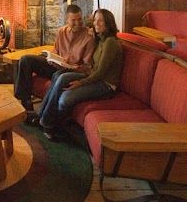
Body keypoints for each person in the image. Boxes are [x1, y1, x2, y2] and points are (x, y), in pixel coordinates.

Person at [35, 9, 123, 140]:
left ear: (108, 23)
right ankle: (43, 118)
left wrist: (80, 83)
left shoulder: (110, 42)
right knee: (61, 76)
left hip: (106, 85)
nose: (96, 23)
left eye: (100, 21)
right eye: (95, 20)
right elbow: (85, 26)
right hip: (93, 76)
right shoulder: (100, 39)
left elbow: (100, 73)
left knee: (65, 99)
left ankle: (48, 123)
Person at [14, 4, 95, 113]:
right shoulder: (62, 32)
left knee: (58, 74)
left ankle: (42, 112)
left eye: (79, 19)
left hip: (71, 71)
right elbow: (55, 51)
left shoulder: (89, 37)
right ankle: (26, 101)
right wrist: (52, 59)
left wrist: (71, 67)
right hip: (56, 66)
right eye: (73, 20)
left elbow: (87, 65)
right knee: (25, 60)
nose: (77, 23)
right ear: (67, 20)